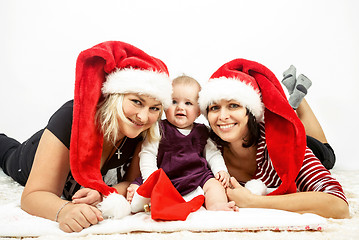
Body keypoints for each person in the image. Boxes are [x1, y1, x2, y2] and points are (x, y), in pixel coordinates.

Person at [0, 41, 173, 232]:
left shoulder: (145, 131)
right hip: (27, 157)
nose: (143, 116)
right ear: (115, 96)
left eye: (154, 108)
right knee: (6, 151)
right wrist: (64, 210)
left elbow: (132, 184)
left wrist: (105, 194)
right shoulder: (71, 116)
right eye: (136, 102)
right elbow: (33, 195)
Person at [198, 58, 350, 219]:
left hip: (302, 143)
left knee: (327, 153)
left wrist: (253, 202)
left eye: (233, 105)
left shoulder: (285, 145)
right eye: (214, 108)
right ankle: (290, 106)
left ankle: (298, 100)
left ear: (251, 111)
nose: (222, 116)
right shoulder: (205, 147)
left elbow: (339, 206)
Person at [127, 75, 237, 212]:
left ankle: (217, 206)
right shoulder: (158, 128)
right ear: (165, 106)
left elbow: (213, 153)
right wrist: (151, 179)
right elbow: (147, 153)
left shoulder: (202, 131)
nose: (180, 107)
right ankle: (138, 200)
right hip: (164, 177)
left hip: (196, 176)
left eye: (188, 103)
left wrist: (221, 170)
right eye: (174, 102)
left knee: (214, 185)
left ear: (198, 112)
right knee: (136, 186)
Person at [282, 65, 336, 170]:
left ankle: (292, 100)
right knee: (326, 150)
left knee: (326, 153)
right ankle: (292, 96)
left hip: (305, 150)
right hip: (314, 151)